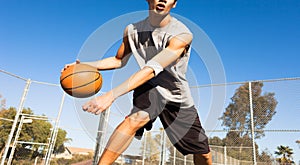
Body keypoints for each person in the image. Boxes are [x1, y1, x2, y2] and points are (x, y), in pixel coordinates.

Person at [63, 0, 212, 164]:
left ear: (174, 4)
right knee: (132, 121)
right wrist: (84, 66)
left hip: (175, 95)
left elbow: (152, 69)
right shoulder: (132, 30)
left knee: (203, 152)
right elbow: (118, 60)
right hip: (149, 87)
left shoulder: (181, 34)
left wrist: (111, 95)